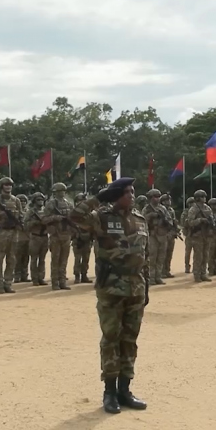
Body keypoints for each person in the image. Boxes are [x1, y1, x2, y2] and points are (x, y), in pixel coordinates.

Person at [68, 177, 148, 415]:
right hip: (111, 287)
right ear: (115, 196)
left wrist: (147, 289)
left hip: (136, 286)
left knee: (130, 340)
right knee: (111, 338)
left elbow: (146, 256)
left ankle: (125, 389)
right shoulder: (100, 218)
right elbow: (74, 217)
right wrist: (98, 198)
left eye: (133, 192)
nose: (131, 196)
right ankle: (110, 392)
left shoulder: (140, 220)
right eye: (126, 192)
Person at [0, 177, 24, 294]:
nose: (8, 187)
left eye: (10, 185)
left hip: (13, 232)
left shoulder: (16, 200)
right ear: (1, 186)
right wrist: (0, 213)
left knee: (12, 259)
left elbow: (21, 214)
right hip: (0, 231)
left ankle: (8, 283)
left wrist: (18, 219)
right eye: (5, 185)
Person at [44, 182, 73, 290]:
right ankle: (55, 282)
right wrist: (55, 218)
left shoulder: (69, 204)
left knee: (64, 260)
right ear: (55, 192)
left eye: (63, 191)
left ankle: (62, 281)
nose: (61, 193)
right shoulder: (50, 204)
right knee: (55, 260)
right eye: (59, 191)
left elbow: (73, 218)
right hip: (55, 235)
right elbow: (44, 219)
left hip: (66, 235)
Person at [141, 188, 169, 286]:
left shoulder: (163, 208)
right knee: (152, 258)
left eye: (158, 196)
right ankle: (151, 277)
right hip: (152, 235)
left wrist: (165, 220)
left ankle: (158, 277)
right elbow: (142, 221)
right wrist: (151, 216)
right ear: (150, 198)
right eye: (154, 197)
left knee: (161, 257)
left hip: (162, 235)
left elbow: (169, 220)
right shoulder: (146, 209)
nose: (157, 199)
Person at [24, 192, 49, 286]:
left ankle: (41, 277)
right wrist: (35, 222)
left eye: (42, 200)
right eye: (38, 200)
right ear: (34, 201)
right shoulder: (30, 212)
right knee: (34, 259)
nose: (40, 201)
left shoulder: (46, 211)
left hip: (44, 237)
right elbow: (25, 225)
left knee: (42, 259)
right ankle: (34, 278)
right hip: (35, 237)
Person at [160, 193, 178, 279]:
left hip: (171, 234)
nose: (168, 202)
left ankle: (167, 271)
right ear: (162, 202)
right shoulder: (160, 209)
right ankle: (161, 272)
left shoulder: (171, 210)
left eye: (169, 200)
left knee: (169, 254)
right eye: (166, 200)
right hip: (163, 234)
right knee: (162, 254)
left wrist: (176, 229)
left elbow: (173, 221)